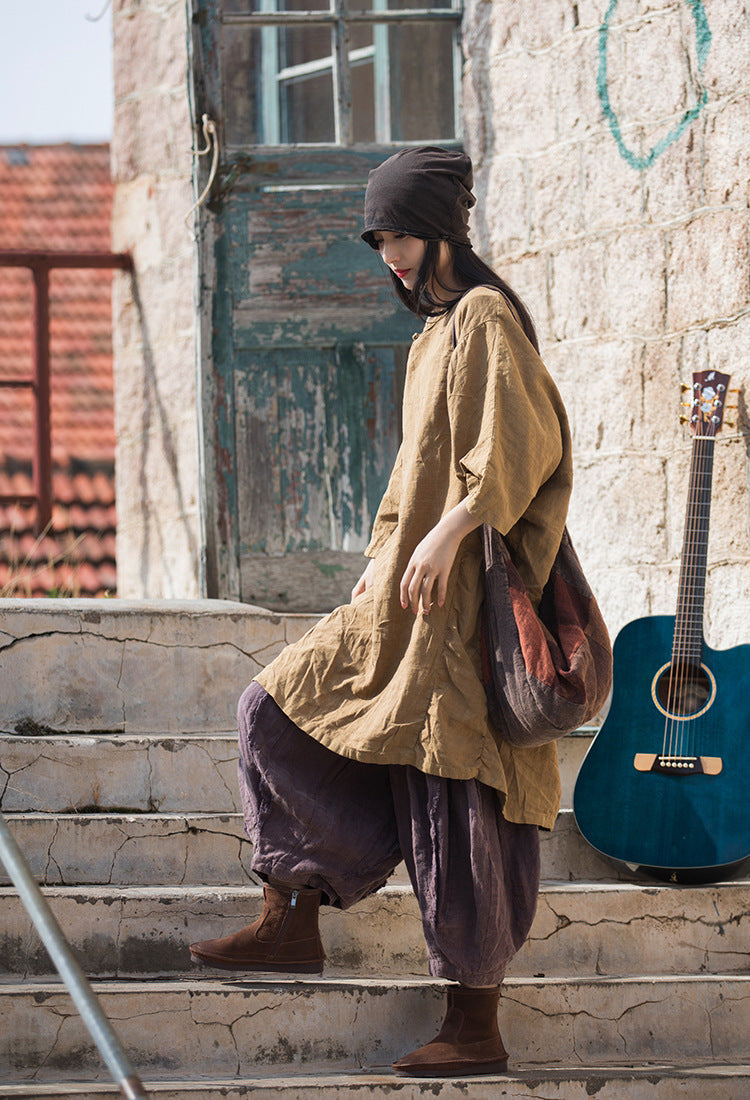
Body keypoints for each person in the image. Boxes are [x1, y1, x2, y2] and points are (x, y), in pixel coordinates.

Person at [189, 146, 573, 1077]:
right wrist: (379, 561)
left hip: (465, 608)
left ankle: (474, 1027)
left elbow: (523, 448)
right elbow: (410, 480)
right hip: (403, 601)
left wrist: (445, 537)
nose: (388, 255)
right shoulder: (429, 336)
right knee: (274, 710)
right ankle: (292, 916)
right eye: (378, 239)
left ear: (441, 227)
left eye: (398, 233)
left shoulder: (484, 317)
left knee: (457, 796)